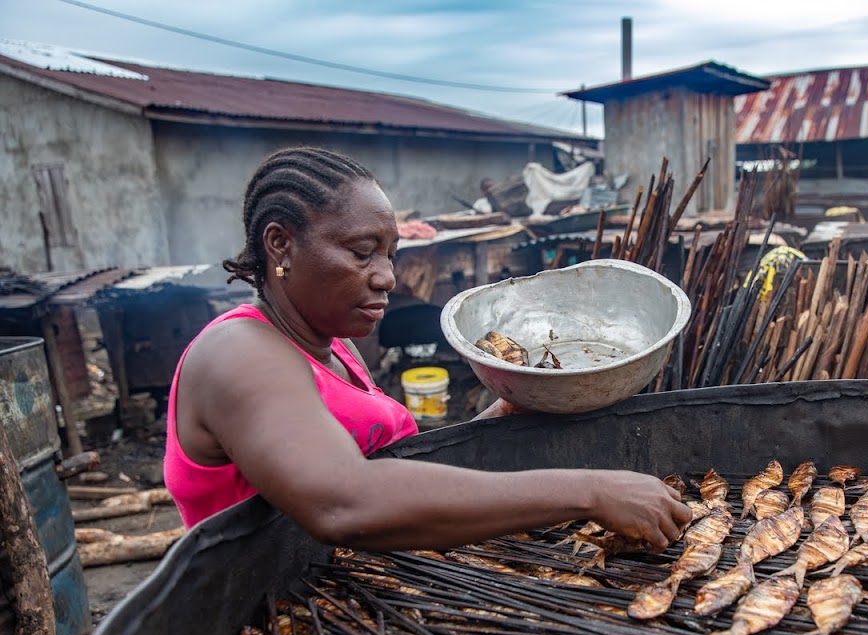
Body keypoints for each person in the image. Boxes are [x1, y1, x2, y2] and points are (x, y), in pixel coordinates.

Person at [163, 146, 690, 552]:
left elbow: (394, 467)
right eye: (362, 253)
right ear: (280, 243)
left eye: (391, 255)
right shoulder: (239, 353)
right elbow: (345, 501)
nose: (388, 277)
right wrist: (589, 491)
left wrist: (507, 410)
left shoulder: (334, 346)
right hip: (277, 626)